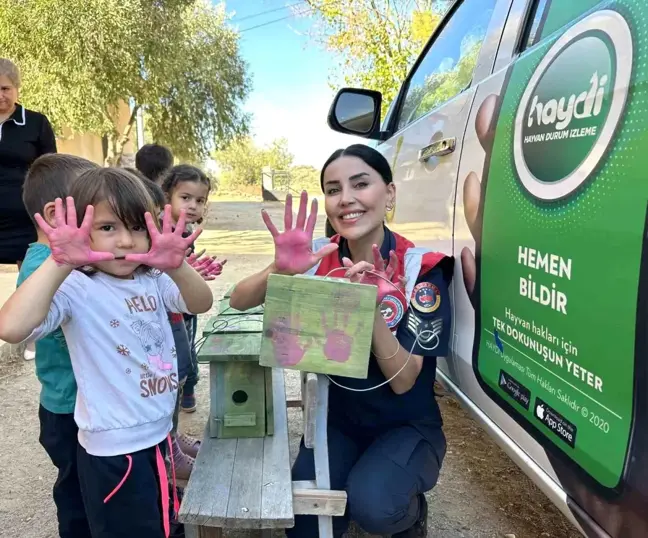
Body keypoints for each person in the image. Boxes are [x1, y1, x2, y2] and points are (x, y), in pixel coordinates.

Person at [229, 144, 453, 538]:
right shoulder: (318, 258)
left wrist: (365, 308)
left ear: (390, 193)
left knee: (375, 505)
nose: (346, 198)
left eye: (360, 183)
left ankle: (410, 514)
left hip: (407, 427)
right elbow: (239, 300)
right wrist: (278, 269)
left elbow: (403, 381)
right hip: (338, 421)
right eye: (333, 189)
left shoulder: (423, 268)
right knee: (303, 528)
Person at [0, 168, 214, 538]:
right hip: (114, 454)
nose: (127, 242)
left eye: (138, 227)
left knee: (165, 522)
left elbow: (200, 302)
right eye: (108, 227)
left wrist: (177, 266)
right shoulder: (75, 287)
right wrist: (60, 260)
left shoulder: (154, 278)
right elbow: (11, 327)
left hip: (158, 436)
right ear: (80, 229)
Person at [18, 153, 99, 538]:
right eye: (94, 210)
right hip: (68, 409)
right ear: (55, 216)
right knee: (78, 496)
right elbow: (21, 324)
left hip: (88, 403)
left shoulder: (73, 261)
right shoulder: (42, 265)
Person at [162, 164, 225, 413]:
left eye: (200, 200)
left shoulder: (187, 229)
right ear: (167, 196)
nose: (193, 206)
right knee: (174, 358)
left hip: (186, 303)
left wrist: (196, 273)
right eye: (185, 198)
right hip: (168, 308)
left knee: (188, 347)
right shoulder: (160, 229)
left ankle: (187, 391)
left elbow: (184, 267)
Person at [0, 58, 57, 266]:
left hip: (26, 220)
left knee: (30, 280)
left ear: (17, 88)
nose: (0, 96)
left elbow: (52, 170)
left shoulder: (36, 123)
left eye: (5, 88)